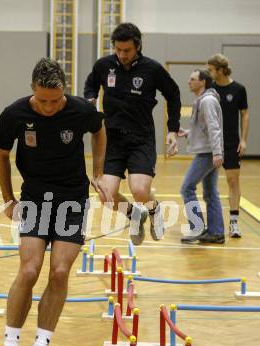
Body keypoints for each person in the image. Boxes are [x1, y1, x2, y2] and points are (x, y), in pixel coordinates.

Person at [0, 58, 107, 346]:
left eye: (55, 100)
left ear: (64, 92)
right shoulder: (13, 115)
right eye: (42, 100)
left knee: (59, 272)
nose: (49, 107)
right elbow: (0, 154)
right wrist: (8, 199)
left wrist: (97, 171)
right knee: (29, 271)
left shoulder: (80, 110)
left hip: (72, 199)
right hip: (34, 198)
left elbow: (100, 132)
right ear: (32, 90)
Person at [84, 22, 181, 245]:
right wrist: (90, 98)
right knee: (105, 197)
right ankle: (134, 214)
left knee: (139, 190)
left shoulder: (152, 69)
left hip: (141, 139)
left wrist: (173, 129)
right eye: (118, 50)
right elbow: (90, 85)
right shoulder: (104, 65)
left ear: (137, 46)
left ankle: (154, 210)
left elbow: (173, 94)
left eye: (126, 50)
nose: (122, 55)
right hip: (112, 140)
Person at [177, 70, 225, 244]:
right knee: (211, 192)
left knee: (187, 188)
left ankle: (197, 229)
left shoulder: (207, 101)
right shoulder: (204, 100)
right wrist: (188, 133)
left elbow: (214, 127)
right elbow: (205, 128)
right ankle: (216, 232)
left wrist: (217, 152)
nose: (189, 82)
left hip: (208, 153)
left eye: (193, 79)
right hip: (209, 150)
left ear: (203, 82)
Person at [207, 54, 249, 238]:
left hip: (231, 143)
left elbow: (245, 114)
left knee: (233, 181)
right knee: (208, 185)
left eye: (211, 70)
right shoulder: (209, 89)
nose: (209, 73)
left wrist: (243, 139)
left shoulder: (239, 89)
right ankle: (212, 224)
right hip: (211, 144)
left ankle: (234, 223)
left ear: (220, 70)